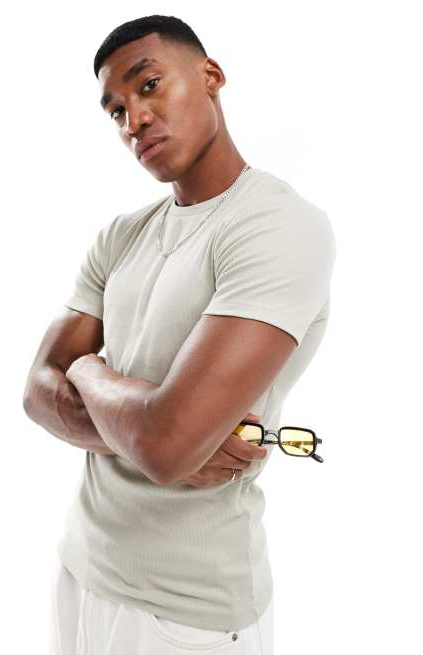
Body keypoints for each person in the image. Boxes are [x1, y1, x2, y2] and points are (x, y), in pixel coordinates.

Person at [23, 14, 336, 655]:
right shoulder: (121, 235)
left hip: (186, 615)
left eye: (149, 85)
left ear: (211, 76)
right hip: (81, 570)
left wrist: (86, 370)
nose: (134, 120)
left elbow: (165, 446)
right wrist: (150, 435)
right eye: (116, 110)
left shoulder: (278, 226)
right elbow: (35, 391)